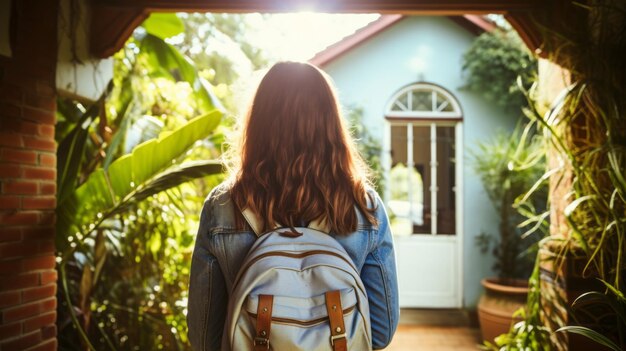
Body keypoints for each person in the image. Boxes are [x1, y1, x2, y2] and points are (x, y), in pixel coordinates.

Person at [187, 61, 399, 350]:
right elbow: (381, 330)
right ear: (331, 126)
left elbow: (204, 338)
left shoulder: (223, 207)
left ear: (258, 124)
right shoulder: (364, 207)